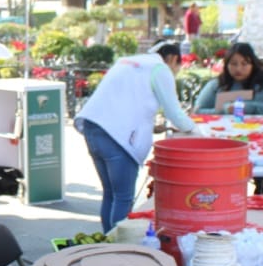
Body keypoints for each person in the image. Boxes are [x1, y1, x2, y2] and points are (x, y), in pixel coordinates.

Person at [75, 43, 207, 233]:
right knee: (122, 197)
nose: (175, 72)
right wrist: (196, 130)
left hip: (93, 128)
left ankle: (106, 243)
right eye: (178, 67)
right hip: (117, 138)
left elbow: (125, 102)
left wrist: (151, 126)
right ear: (172, 59)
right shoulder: (159, 68)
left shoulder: (129, 62)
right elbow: (174, 113)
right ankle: (119, 249)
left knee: (111, 194)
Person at [192, 42, 263, 115]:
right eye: (233, 64)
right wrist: (225, 110)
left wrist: (250, 108)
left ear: (253, 64)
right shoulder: (218, 84)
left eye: (244, 64)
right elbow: (198, 110)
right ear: (226, 65)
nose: (238, 69)